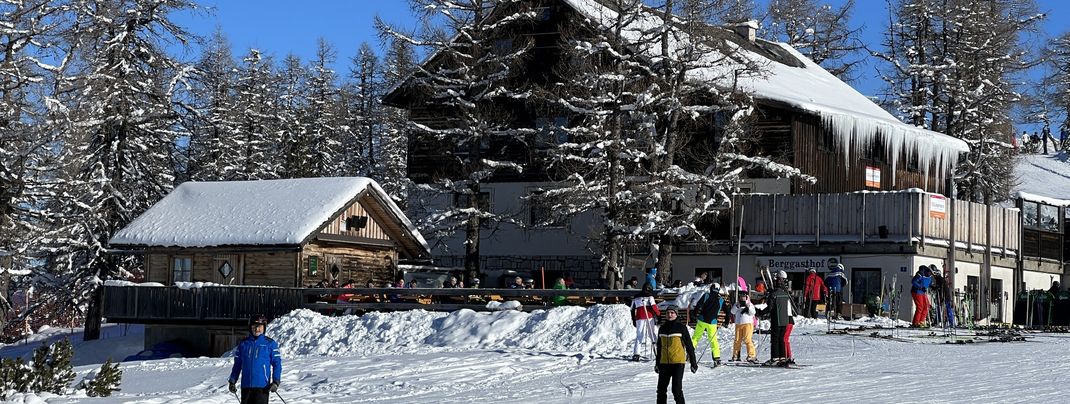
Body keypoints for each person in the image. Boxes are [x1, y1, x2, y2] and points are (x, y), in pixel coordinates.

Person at [229, 314, 282, 404]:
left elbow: (277, 364)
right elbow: (237, 365)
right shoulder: (243, 344)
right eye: (254, 326)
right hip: (246, 387)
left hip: (262, 387)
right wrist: (232, 381)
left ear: (264, 328)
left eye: (260, 327)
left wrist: (276, 381)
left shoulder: (270, 344)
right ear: (250, 327)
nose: (257, 329)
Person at [654, 305, 698, 404]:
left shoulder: (681, 328)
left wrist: (693, 363)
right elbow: (659, 347)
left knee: (676, 390)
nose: (670, 315)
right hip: (664, 363)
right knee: (661, 390)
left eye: (672, 313)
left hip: (678, 363)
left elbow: (689, 346)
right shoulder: (662, 328)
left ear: (676, 314)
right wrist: (657, 363)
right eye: (668, 313)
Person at [759, 270, 796, 367]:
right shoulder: (785, 294)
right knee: (781, 339)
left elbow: (770, 308)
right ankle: (782, 358)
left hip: (776, 320)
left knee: (775, 340)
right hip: (785, 320)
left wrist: (760, 312)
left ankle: (775, 358)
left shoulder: (774, 294)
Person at [689, 283, 724, 366]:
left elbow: (698, 305)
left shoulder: (706, 296)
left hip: (702, 320)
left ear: (711, 288)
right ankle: (716, 358)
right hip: (712, 323)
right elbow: (727, 310)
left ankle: (689, 354)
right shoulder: (721, 300)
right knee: (713, 340)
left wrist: (694, 314)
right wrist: (726, 320)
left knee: (696, 337)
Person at [630, 285, 660, 361]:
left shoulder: (636, 297)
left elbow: (632, 309)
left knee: (639, 335)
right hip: (649, 316)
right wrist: (658, 315)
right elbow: (654, 307)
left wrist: (633, 319)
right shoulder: (650, 297)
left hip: (639, 317)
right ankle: (658, 351)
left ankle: (636, 354)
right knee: (652, 334)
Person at [730, 293, 757, 363]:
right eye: (741, 297)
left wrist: (748, 307)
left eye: (744, 297)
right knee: (737, 340)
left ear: (746, 297)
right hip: (738, 324)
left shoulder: (750, 304)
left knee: (747, 339)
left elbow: (753, 312)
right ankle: (736, 355)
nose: (742, 298)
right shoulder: (737, 304)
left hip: (748, 324)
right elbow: (732, 311)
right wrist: (737, 306)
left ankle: (751, 355)